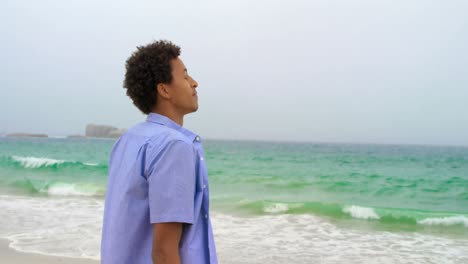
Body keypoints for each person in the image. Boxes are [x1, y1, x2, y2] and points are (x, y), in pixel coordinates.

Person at [101, 40, 217, 264]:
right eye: (184, 76)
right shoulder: (174, 146)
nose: (194, 83)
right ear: (164, 90)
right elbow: (164, 253)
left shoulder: (128, 140)